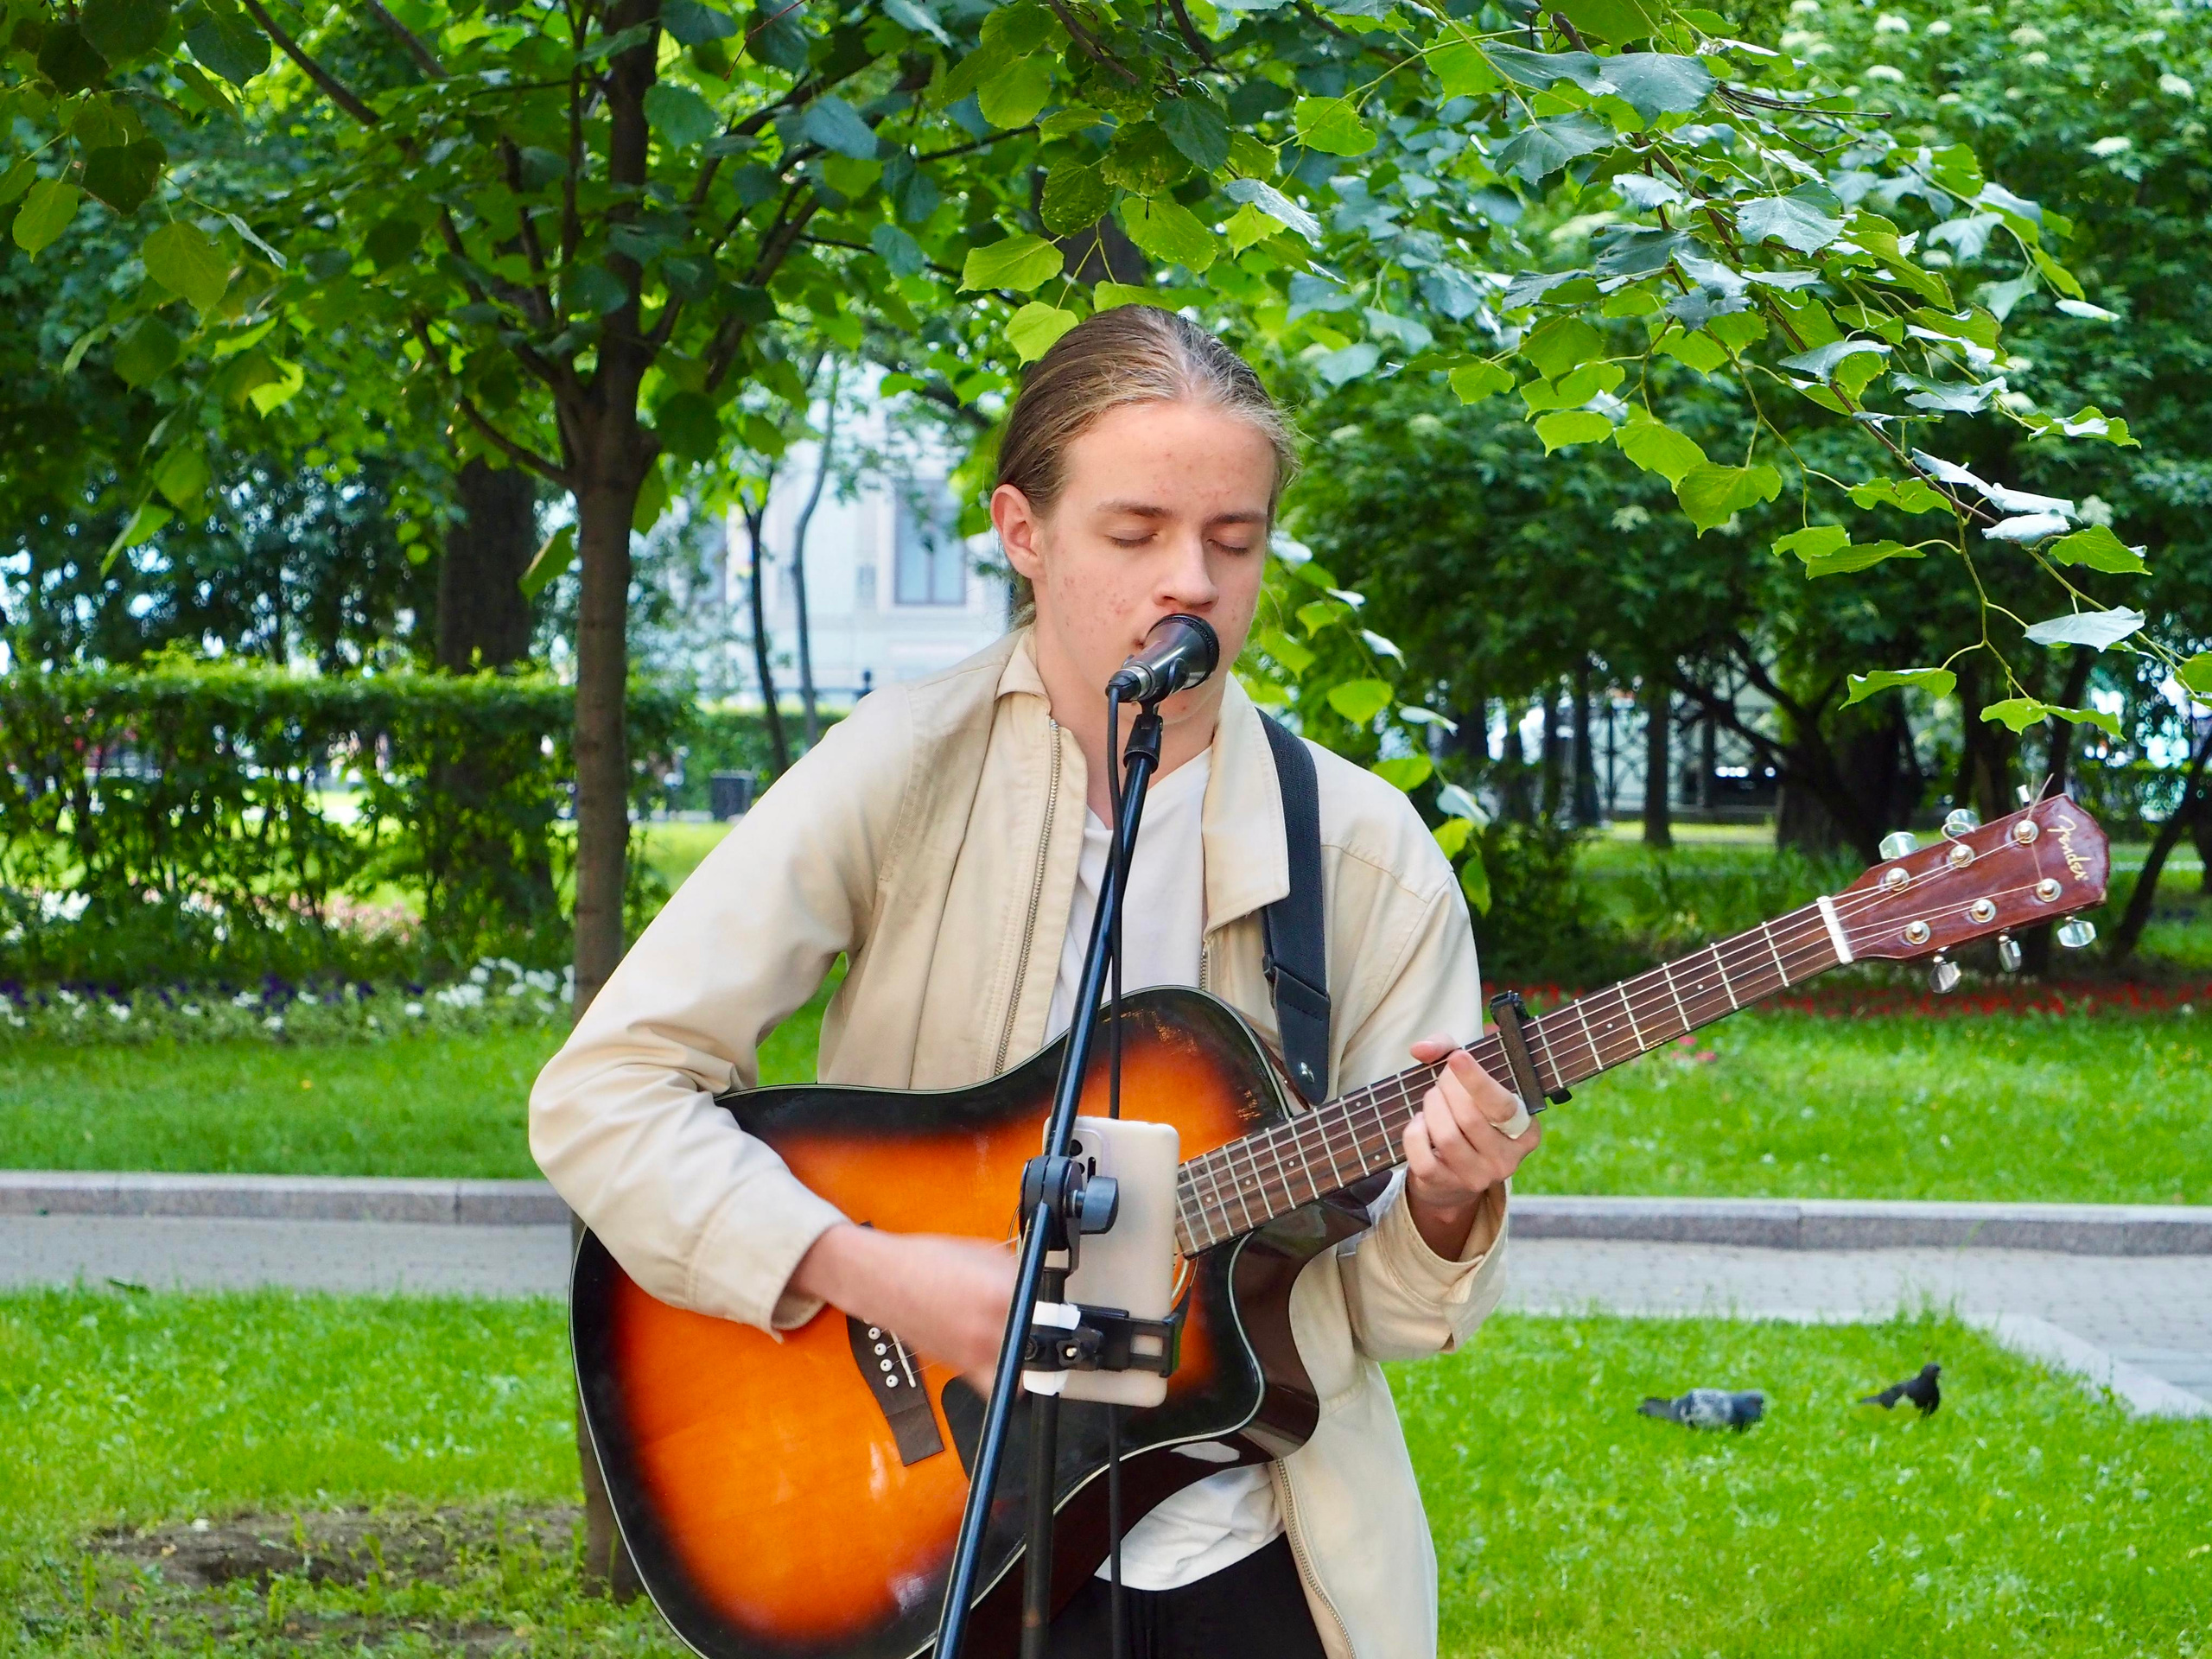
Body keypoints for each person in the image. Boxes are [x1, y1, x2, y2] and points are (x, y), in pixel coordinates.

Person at [530, 306, 1541, 1659]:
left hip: (1253, 1547)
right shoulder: (898, 770)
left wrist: (1448, 1200)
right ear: (1024, 532)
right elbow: (603, 1093)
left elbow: (1393, 1318)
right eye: (1135, 535)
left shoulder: (1364, 858)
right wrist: (876, 1272)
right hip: (941, 1553)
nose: (1190, 580)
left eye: (1233, 542)